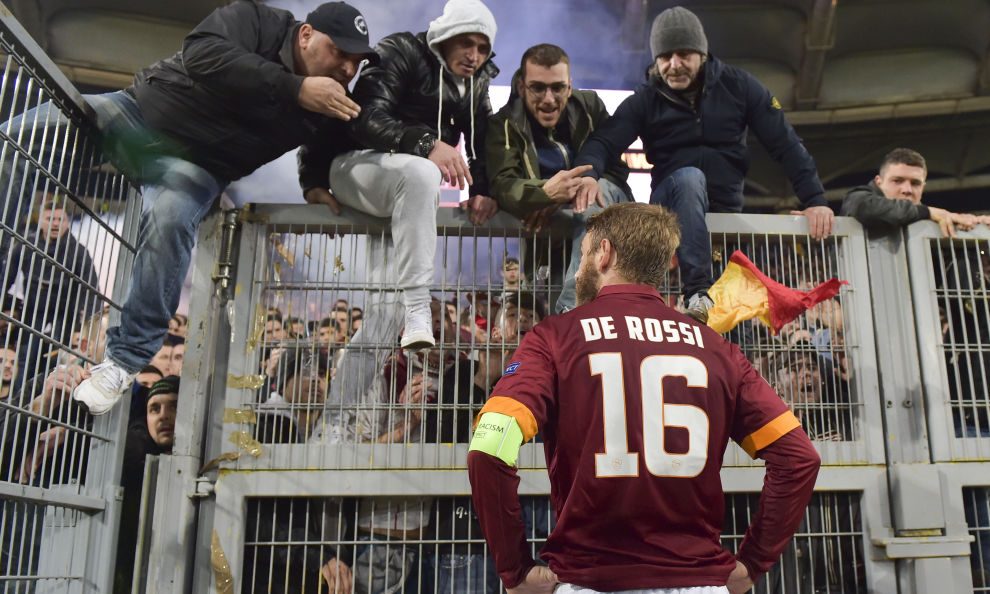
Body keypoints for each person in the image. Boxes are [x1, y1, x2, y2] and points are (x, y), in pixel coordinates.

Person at [467, 202, 821, 593]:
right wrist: (753, 562)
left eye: (583, 254)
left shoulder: (555, 337)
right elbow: (799, 458)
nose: (579, 267)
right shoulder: (717, 348)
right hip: (699, 581)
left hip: (592, 580)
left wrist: (515, 569)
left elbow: (489, 446)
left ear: (605, 253)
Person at [64, 0, 378, 415]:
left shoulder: (331, 103)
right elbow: (203, 54)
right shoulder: (257, 20)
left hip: (194, 167)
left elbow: (328, 145)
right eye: (340, 53)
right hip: (136, 112)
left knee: (170, 220)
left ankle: (122, 362)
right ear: (306, 36)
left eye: (356, 61)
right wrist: (294, 89)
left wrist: (315, 182)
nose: (348, 69)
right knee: (19, 135)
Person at [574, 6, 833, 323]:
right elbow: (604, 140)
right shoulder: (646, 98)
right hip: (670, 205)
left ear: (703, 54)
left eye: (684, 54)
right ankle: (697, 291)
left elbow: (786, 144)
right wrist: (588, 174)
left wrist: (816, 201)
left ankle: (721, 319)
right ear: (655, 60)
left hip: (724, 214)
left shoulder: (740, 86)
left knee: (738, 336)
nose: (674, 65)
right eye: (665, 57)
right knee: (689, 178)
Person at [298, 0, 499, 351]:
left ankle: (338, 409)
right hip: (355, 164)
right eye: (467, 42)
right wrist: (426, 144)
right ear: (446, 36)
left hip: (405, 191)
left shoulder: (477, 80)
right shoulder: (401, 50)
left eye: (483, 48)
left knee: (385, 315)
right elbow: (364, 118)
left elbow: (482, 138)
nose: (474, 55)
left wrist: (483, 189)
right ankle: (419, 308)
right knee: (422, 171)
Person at [486, 44, 632, 313]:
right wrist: (545, 192)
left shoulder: (590, 106)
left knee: (594, 191)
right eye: (538, 88)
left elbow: (618, 169)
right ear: (521, 87)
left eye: (558, 88)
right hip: (547, 246)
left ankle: (571, 310)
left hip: (601, 231)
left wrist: (564, 193)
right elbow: (502, 185)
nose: (549, 98)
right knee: (553, 334)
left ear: (569, 85)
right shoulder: (502, 125)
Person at [840, 148, 984, 237]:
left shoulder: (931, 216)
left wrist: (975, 224)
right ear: (879, 181)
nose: (907, 190)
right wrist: (927, 212)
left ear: (923, 187)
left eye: (915, 183)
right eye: (897, 181)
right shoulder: (858, 198)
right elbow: (865, 208)